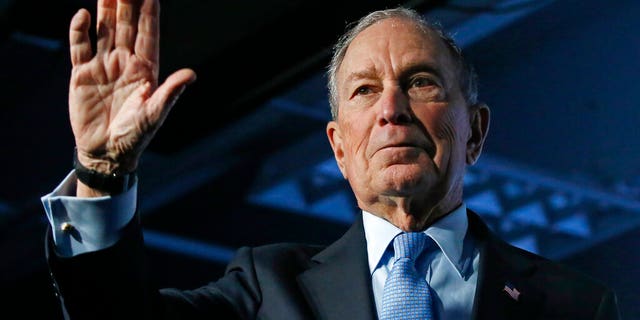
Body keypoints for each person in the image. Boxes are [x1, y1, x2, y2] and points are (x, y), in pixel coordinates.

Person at [41, 0, 621, 319]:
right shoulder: (266, 289)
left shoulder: (575, 305)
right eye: (364, 91)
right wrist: (102, 170)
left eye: (420, 82)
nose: (391, 109)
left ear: (475, 131)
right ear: (339, 149)